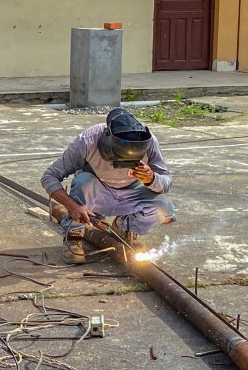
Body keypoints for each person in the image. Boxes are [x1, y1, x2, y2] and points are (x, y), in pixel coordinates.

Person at [41, 108, 175, 262]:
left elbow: (166, 182)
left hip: (132, 193)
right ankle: (73, 236)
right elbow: (49, 176)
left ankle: (124, 227)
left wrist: (151, 178)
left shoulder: (149, 141)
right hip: (98, 192)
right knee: (84, 181)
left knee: (165, 207)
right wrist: (72, 206)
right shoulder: (88, 139)